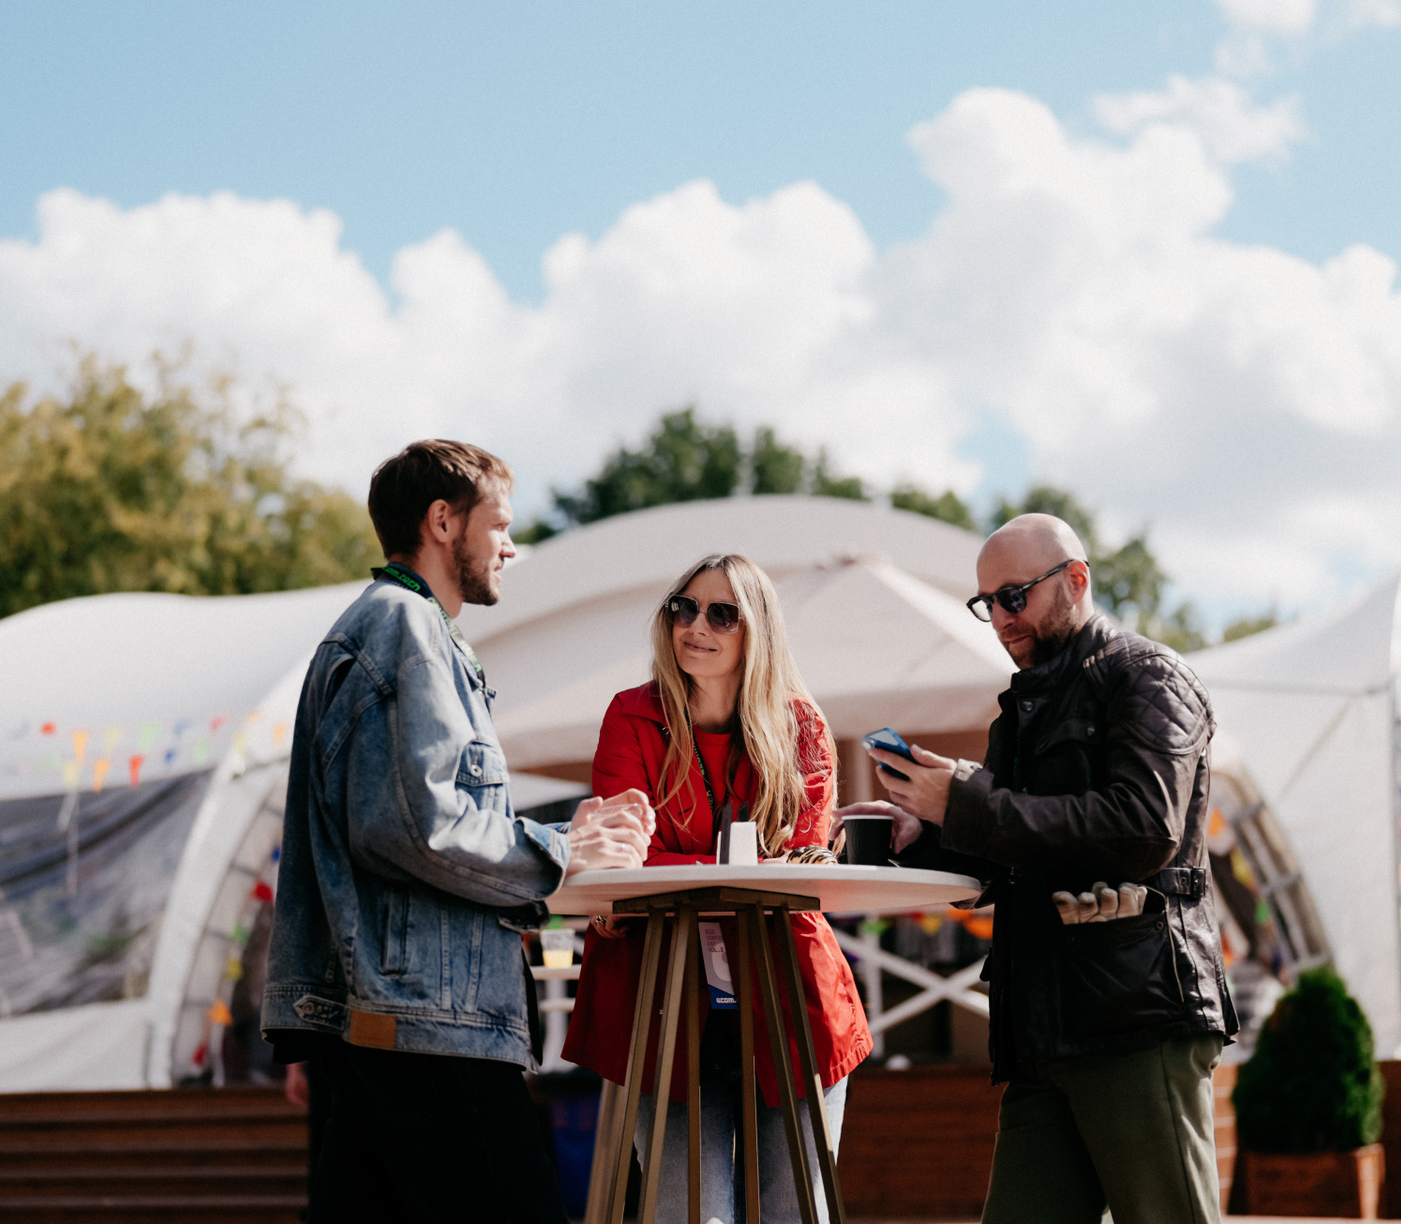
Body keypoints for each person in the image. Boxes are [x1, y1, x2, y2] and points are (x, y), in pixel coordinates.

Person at [261, 439, 654, 1224]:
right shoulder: (405, 629)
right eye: (499, 524)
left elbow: (417, 815)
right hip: (429, 1027)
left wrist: (555, 838)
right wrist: (562, 851)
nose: (511, 546)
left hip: (394, 1020)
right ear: (442, 522)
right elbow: (419, 827)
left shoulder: (391, 627)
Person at [846, 513, 1233, 1224]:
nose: (1000, 617)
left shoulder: (1148, 676)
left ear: (1076, 580)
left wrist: (967, 800)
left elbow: (1144, 828)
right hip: (1040, 1030)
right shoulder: (1021, 712)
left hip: (1136, 1015)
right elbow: (1009, 850)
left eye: (1014, 596)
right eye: (987, 602)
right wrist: (921, 833)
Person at [562, 553, 871, 1224]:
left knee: (796, 1214)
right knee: (689, 1215)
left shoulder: (802, 728)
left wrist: (678, 865)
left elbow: (798, 868)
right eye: (685, 607)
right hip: (663, 1000)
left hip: (789, 1000)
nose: (696, 625)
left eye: (722, 614)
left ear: (757, 631)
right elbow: (622, 852)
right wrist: (740, 866)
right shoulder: (631, 715)